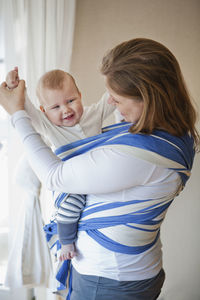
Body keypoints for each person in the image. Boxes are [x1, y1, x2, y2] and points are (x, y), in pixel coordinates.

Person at [0, 38, 199, 300]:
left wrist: (16, 114)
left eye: (116, 99)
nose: (111, 104)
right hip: (130, 272)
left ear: (146, 97)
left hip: (108, 282)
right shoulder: (174, 133)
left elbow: (54, 176)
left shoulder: (140, 153)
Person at [6, 67, 115, 261]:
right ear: (44, 111)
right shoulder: (48, 125)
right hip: (71, 183)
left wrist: (120, 76)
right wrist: (15, 88)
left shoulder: (94, 113)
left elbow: (112, 97)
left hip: (98, 174)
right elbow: (27, 111)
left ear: (80, 96)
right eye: (55, 107)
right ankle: (66, 242)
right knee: (71, 204)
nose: (65, 110)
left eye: (71, 101)